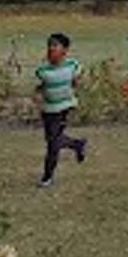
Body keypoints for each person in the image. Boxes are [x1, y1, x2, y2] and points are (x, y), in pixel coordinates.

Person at [34, 32, 88, 187]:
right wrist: (37, 94)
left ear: (65, 50)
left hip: (64, 107)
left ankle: (47, 177)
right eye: (49, 45)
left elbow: (77, 76)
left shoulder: (72, 65)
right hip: (48, 109)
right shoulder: (42, 70)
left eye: (55, 46)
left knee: (53, 144)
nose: (51, 49)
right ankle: (77, 144)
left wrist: (76, 82)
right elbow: (42, 85)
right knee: (52, 139)